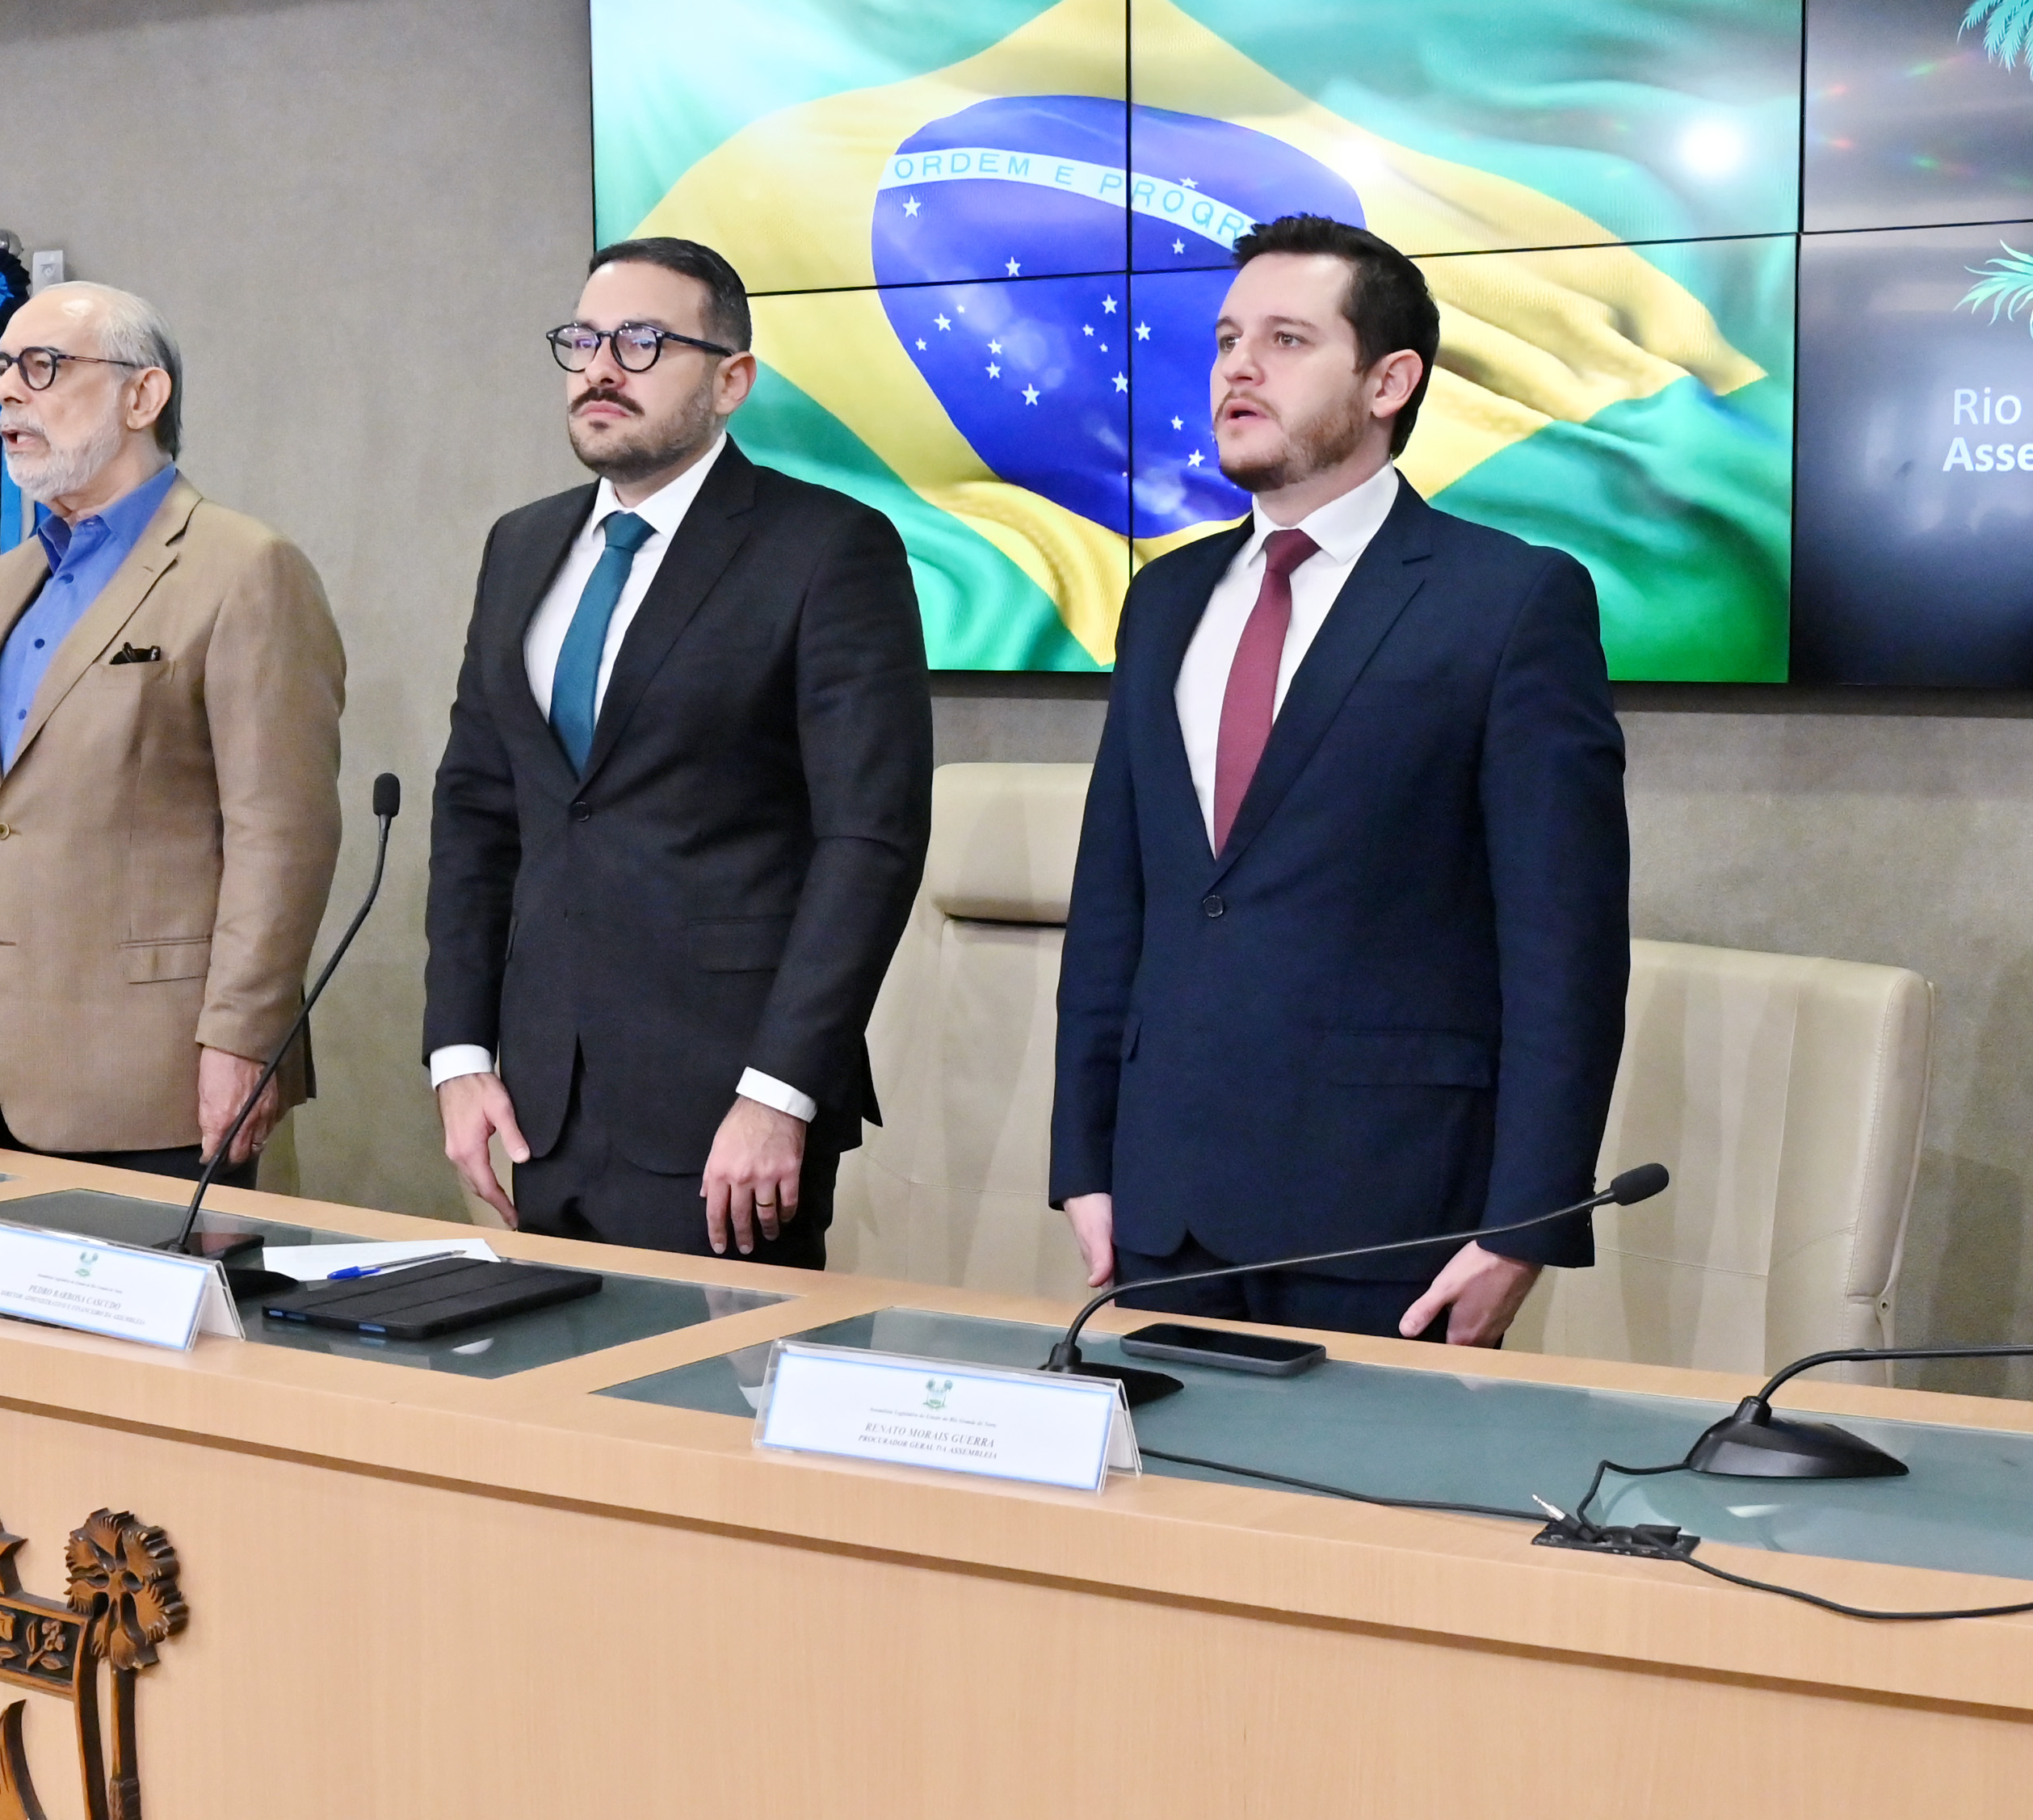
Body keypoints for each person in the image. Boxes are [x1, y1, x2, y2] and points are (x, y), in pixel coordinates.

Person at [1050, 215, 1630, 1343]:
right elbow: (1117, 899)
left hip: (1392, 1216)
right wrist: (1085, 1158)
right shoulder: (1164, 601)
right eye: (1227, 340)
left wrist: (1526, 1223)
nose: (1238, 369)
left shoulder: (1509, 601)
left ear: (1388, 382)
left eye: (1286, 340)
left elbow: (1566, 942)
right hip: (1164, 1208)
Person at [426, 238, 932, 1264]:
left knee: (715, 1374)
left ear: (731, 380)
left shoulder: (827, 548)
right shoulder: (519, 546)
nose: (601, 368)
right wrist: (460, 1053)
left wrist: (780, 1091)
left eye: (643, 342)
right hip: (543, 1100)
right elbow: (477, 812)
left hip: (728, 1108)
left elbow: (868, 842)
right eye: (583, 341)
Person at [0, 281, 344, 1179]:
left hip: (165, 1081)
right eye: (1, 368)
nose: (7, 391)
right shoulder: (10, 580)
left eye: (42, 366)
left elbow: (282, 833)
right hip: (5, 1077)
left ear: (143, 395)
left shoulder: (245, 566)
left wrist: (243, 1038)